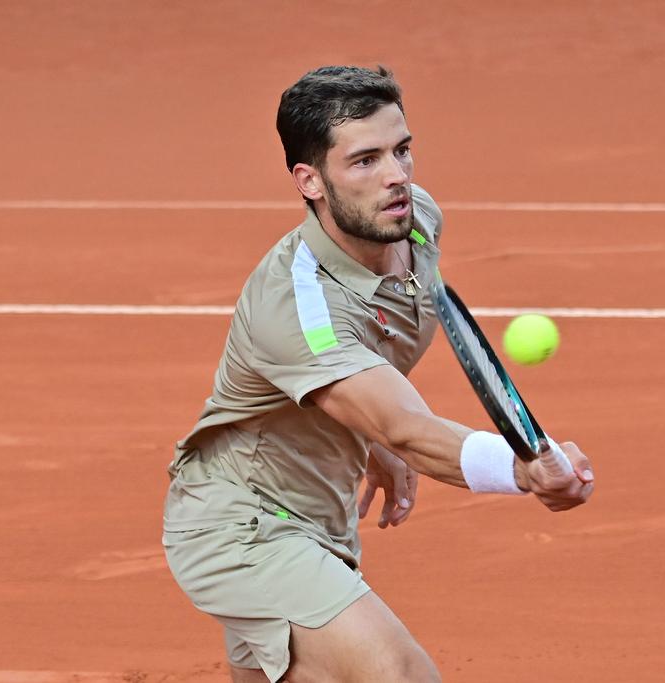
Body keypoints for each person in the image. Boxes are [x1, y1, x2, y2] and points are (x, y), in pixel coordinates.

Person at [162, 65, 595, 683]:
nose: (397, 176)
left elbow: (377, 376)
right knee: (401, 674)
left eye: (402, 150)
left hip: (323, 517)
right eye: (365, 161)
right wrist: (523, 464)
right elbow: (401, 425)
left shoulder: (416, 220)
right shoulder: (299, 308)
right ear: (310, 180)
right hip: (243, 524)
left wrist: (366, 439)